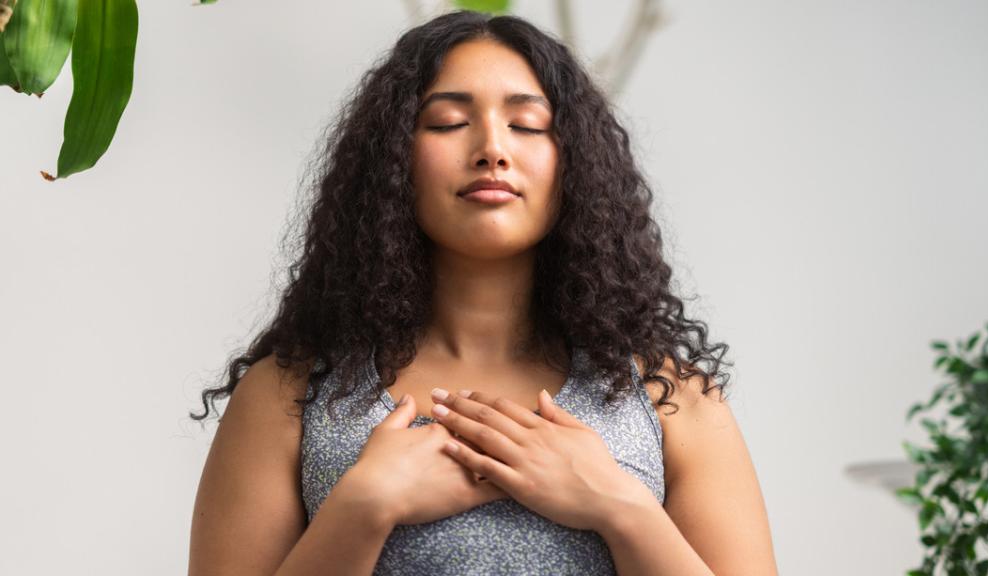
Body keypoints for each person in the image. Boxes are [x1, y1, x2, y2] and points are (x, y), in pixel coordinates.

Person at [187, 10, 777, 576]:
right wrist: (361, 507)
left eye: (527, 125)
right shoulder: (286, 395)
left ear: (575, 161)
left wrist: (620, 506)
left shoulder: (672, 399)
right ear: (392, 161)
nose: (492, 148)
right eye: (447, 122)